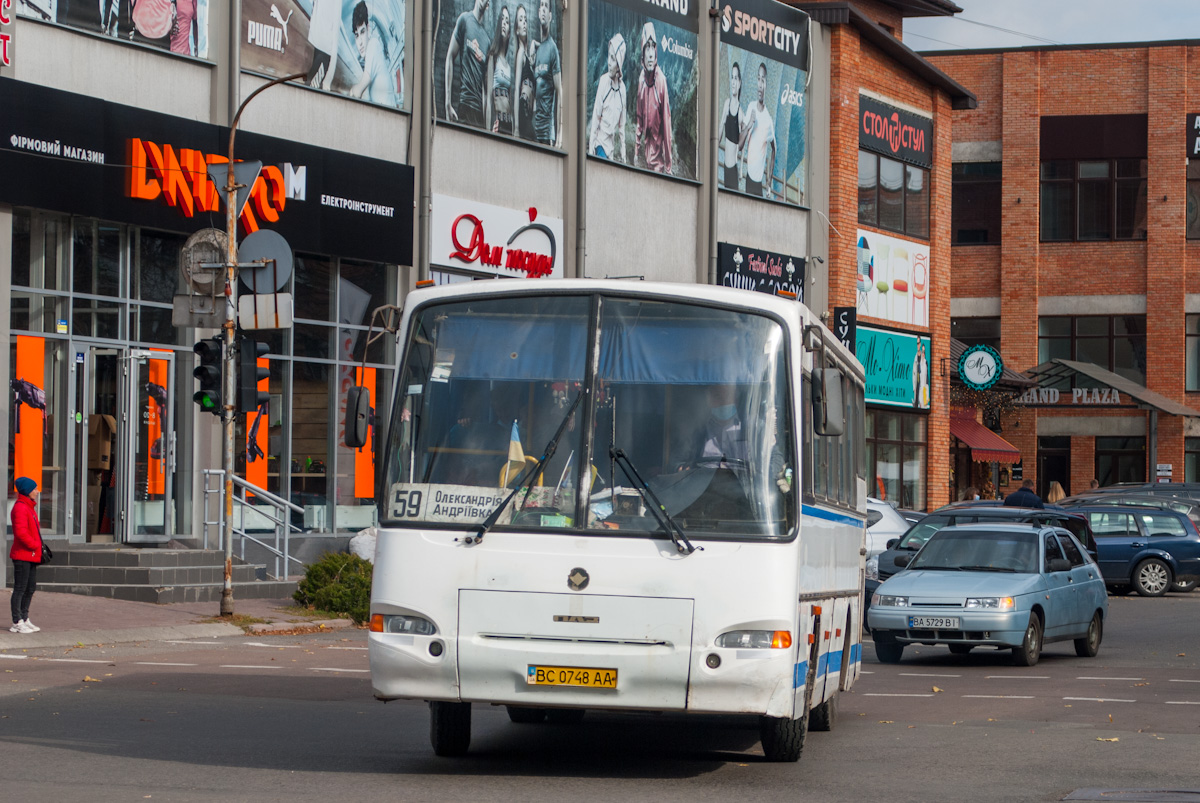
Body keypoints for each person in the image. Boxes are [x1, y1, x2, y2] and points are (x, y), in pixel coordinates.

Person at [444, 0, 492, 128]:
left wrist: (487, 128)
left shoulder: (487, 41)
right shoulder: (464, 20)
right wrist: (447, 103)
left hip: (479, 114)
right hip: (464, 105)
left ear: (488, 4)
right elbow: (450, 57)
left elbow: (485, 89)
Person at [634, 22, 673, 174]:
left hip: (659, 164)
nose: (650, 53)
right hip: (645, 159)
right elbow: (639, 119)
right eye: (647, 47)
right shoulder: (641, 81)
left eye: (653, 47)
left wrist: (668, 168)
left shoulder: (661, 82)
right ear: (643, 52)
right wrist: (636, 153)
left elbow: (667, 127)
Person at [10, 477, 44, 634]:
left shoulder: (29, 507)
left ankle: (24, 617)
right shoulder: (21, 508)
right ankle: (17, 621)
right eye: (35, 488)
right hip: (23, 555)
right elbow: (21, 532)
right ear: (27, 490)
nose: (37, 491)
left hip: (30, 555)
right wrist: (35, 545)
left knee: (30, 588)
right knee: (20, 588)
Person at [350, 1, 399, 107]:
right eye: (356, 35)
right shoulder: (372, 51)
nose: (360, 42)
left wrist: (350, 91)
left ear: (368, 29)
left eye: (362, 32)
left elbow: (359, 89)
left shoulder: (373, 45)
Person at [738, 62, 775, 198]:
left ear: (766, 84)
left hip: (759, 184)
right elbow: (740, 145)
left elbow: (774, 149)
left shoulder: (768, 120)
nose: (760, 84)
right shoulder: (750, 107)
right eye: (758, 79)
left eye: (763, 80)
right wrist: (748, 126)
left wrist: (769, 183)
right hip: (748, 178)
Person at [588, 33, 627, 161]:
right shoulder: (603, 81)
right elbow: (596, 115)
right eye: (609, 57)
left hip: (611, 148)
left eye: (613, 59)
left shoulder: (622, 90)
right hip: (600, 144)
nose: (609, 63)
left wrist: (623, 154)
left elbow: (622, 125)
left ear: (619, 63)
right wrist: (591, 146)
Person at [530, 0, 562, 147]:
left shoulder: (552, 49)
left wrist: (559, 134)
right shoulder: (538, 48)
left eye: (546, 7)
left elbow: (559, 91)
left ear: (550, 16)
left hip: (547, 132)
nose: (543, 9)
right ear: (538, 13)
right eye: (541, 5)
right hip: (535, 128)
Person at [484, 4, 514, 134]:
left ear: (509, 33)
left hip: (508, 123)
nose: (504, 23)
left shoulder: (508, 66)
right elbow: (488, 97)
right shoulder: (492, 58)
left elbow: (510, 103)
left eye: (507, 21)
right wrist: (488, 129)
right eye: (502, 19)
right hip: (496, 122)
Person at [720, 62, 746, 190]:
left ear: (740, 82)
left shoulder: (741, 114)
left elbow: (742, 146)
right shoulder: (726, 104)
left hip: (734, 168)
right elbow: (720, 129)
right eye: (732, 77)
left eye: (736, 78)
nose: (733, 82)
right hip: (725, 166)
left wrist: (741, 170)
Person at [512, 4, 537, 141]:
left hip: (528, 114)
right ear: (516, 29)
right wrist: (516, 127)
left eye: (526, 20)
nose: (525, 23)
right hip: (522, 111)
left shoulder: (527, 55)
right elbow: (516, 90)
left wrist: (533, 43)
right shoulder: (520, 53)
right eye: (521, 20)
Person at [307, 0, 343, 91]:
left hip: (324, 50)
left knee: (310, 87)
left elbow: (335, 29)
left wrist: (328, 80)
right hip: (318, 45)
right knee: (309, 86)